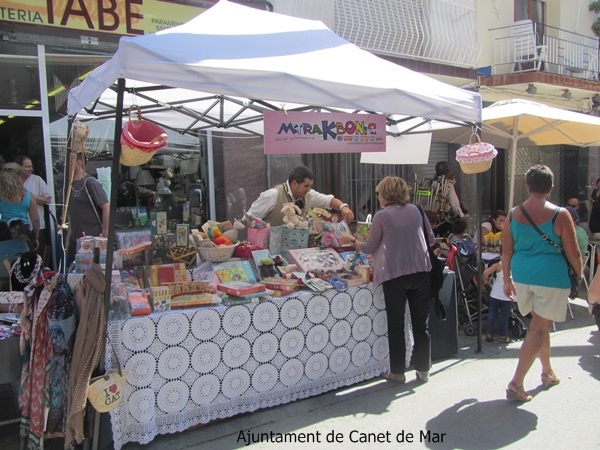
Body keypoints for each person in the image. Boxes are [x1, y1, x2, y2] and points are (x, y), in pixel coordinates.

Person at [338, 176, 434, 384]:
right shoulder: (417, 210)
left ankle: (397, 372)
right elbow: (431, 239)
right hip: (421, 272)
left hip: (395, 275)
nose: (378, 197)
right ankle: (423, 370)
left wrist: (352, 240)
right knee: (420, 323)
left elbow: (369, 247)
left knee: (396, 323)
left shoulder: (382, 216)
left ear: (386, 195)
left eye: (379, 193)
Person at [502, 165, 581, 402]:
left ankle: (547, 371)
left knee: (540, 323)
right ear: (551, 187)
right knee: (538, 327)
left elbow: (506, 252)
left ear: (527, 186)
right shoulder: (561, 214)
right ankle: (516, 383)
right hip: (550, 276)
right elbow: (574, 252)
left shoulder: (513, 213)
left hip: (522, 274)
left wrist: (506, 279)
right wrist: (580, 275)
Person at [247, 165, 354, 226]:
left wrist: (343, 207)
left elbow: (328, 200)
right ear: (294, 183)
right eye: (306, 186)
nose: (308, 190)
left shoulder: (308, 195)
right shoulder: (273, 195)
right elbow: (248, 218)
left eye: (310, 186)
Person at [65, 153, 109, 268]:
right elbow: (72, 214)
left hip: (92, 239)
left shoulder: (89, 182)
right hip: (76, 240)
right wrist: (68, 239)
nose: (66, 165)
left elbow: (106, 207)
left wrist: (105, 233)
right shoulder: (71, 185)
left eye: (69, 162)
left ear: (78, 163)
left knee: (92, 273)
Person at [16, 155, 52, 260]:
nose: (31, 169)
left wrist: (29, 198)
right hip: (19, 229)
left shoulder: (37, 180)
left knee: (37, 259)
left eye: (31, 166)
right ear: (19, 167)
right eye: (27, 166)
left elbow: (48, 199)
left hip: (37, 227)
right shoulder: (12, 183)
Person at [0, 163, 40, 250]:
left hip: (2, 234)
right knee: (22, 261)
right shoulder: (28, 196)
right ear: (18, 177)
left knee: (3, 262)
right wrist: (35, 238)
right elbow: (36, 220)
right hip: (21, 235)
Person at [483, 257, 513, 343]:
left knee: (492, 313)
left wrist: (485, 279)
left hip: (495, 294)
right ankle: (503, 336)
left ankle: (489, 333)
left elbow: (485, 272)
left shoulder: (498, 265)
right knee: (504, 316)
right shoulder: (514, 266)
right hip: (507, 295)